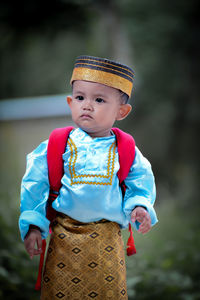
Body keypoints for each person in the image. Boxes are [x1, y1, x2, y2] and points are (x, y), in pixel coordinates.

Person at [19, 55, 158, 299]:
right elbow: (35, 185)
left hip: (107, 241)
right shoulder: (56, 145)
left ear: (122, 111)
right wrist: (32, 224)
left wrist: (140, 206)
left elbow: (140, 184)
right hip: (64, 236)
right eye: (80, 97)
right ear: (70, 102)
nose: (87, 105)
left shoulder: (125, 149)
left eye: (100, 99)